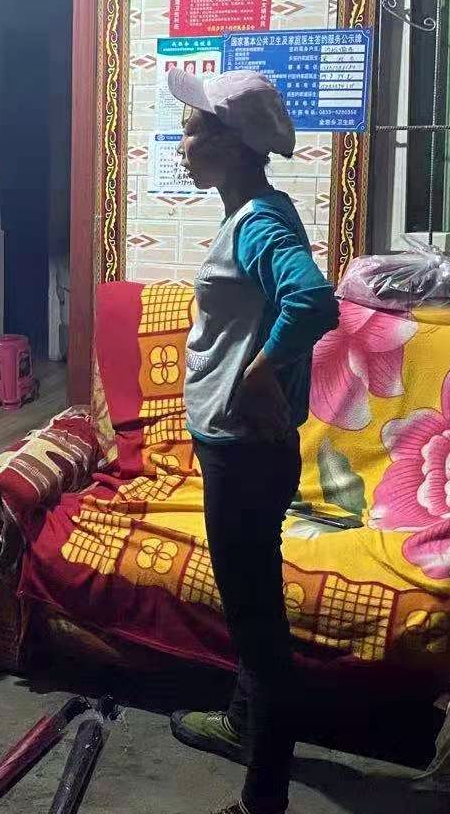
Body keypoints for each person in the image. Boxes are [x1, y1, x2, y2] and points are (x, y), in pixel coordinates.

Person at [164, 69, 339, 814]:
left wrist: (264, 371)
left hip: (245, 452)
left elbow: (314, 300)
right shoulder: (253, 212)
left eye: (193, 130)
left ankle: (263, 798)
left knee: (258, 622)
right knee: (248, 601)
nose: (182, 144)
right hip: (236, 447)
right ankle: (241, 724)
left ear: (232, 146)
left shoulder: (260, 222)